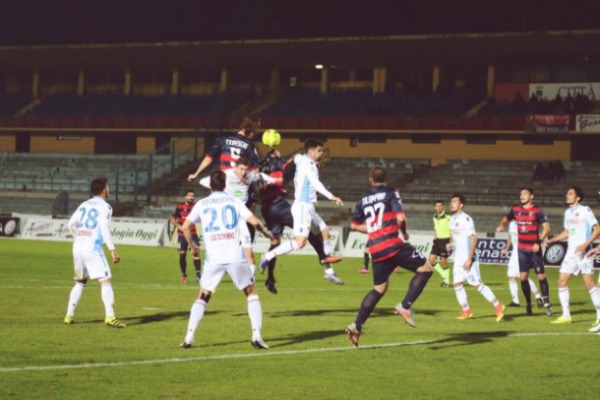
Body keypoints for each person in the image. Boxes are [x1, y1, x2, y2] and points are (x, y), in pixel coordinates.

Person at [179, 170, 276, 349]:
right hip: (234, 255)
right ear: (225, 185)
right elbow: (254, 221)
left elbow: (185, 227)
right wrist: (267, 233)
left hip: (213, 258)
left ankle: (188, 338)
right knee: (251, 292)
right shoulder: (234, 201)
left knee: (203, 295)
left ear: (210, 185)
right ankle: (256, 336)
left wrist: (193, 246)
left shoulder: (201, 203)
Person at [345, 166, 433, 347]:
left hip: (376, 250)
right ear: (386, 179)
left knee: (379, 289)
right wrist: (404, 233)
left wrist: (373, 229)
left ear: (370, 180)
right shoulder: (391, 192)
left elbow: (353, 226)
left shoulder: (363, 199)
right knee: (426, 269)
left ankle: (357, 325)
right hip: (393, 245)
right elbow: (400, 218)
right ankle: (405, 305)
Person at [259, 138, 344, 284]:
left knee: (324, 232)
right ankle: (268, 256)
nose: (322, 153)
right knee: (300, 242)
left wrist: (298, 158)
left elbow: (296, 157)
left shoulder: (302, 160)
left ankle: (329, 271)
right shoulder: (308, 164)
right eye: (319, 150)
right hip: (303, 207)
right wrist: (331, 196)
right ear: (311, 152)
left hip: (308, 207)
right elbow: (315, 183)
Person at [200, 156, 280, 275]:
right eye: (241, 169)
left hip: (241, 213)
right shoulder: (226, 175)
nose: (243, 172)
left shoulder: (250, 176)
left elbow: (260, 176)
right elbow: (203, 181)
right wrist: (217, 190)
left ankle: (250, 277)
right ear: (235, 167)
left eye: (246, 169)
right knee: (225, 247)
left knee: (248, 248)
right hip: (227, 216)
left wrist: (274, 180)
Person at [63, 177, 125, 328]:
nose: (109, 190)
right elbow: (104, 227)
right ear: (103, 190)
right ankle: (110, 316)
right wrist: (112, 249)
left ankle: (69, 315)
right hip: (92, 247)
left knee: (80, 281)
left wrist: (80, 237)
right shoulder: (106, 207)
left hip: (78, 246)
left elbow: (70, 224)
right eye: (107, 187)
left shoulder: (84, 204)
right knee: (105, 279)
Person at [546, 187, 600, 326]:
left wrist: (585, 244)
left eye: (570, 194)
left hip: (584, 252)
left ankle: (599, 316)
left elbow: (597, 229)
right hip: (571, 252)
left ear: (578, 197)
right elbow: (568, 231)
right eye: (567, 193)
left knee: (589, 283)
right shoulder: (568, 212)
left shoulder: (585, 210)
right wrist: (554, 239)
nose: (567, 195)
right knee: (561, 281)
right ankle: (566, 315)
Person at [496, 187, 553, 316]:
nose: (522, 196)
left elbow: (547, 228)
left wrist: (539, 241)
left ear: (531, 196)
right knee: (523, 277)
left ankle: (547, 304)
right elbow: (506, 218)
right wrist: (501, 225)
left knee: (540, 276)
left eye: (525, 194)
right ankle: (529, 304)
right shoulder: (516, 210)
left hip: (534, 249)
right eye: (521, 194)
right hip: (521, 249)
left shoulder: (538, 211)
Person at [448, 194, 505, 322]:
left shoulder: (466, 219)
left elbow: (474, 238)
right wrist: (450, 244)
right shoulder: (452, 219)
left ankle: (498, 305)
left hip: (468, 258)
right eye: (451, 201)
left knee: (476, 284)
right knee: (457, 284)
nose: (452, 203)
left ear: (461, 205)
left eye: (455, 201)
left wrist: (469, 259)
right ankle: (466, 310)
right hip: (458, 259)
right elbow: (453, 234)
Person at [187, 116, 261, 180]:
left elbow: (208, 158)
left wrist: (196, 174)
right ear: (250, 132)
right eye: (253, 134)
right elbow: (255, 169)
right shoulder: (249, 145)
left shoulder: (223, 140)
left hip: (224, 181)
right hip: (239, 182)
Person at [501, 220, 544, 308]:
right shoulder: (512, 224)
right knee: (511, 276)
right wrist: (506, 248)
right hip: (514, 254)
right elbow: (511, 236)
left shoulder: (526, 223)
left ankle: (538, 296)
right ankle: (516, 301)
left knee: (523, 277)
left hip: (523, 252)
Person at [170, 190, 201, 284]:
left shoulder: (196, 207)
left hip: (193, 234)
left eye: (193, 196)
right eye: (190, 195)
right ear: (185, 197)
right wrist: (178, 226)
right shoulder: (179, 206)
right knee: (182, 254)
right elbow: (172, 218)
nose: (191, 197)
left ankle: (198, 275)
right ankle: (184, 275)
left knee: (195, 253)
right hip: (181, 234)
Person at [429, 200, 451, 287]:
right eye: (437, 206)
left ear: (443, 207)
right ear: (435, 207)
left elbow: (452, 230)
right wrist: (434, 240)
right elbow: (435, 229)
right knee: (431, 261)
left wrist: (450, 243)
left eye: (440, 206)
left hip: (445, 240)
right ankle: (444, 275)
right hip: (437, 241)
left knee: (444, 262)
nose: (438, 207)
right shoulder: (434, 216)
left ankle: (447, 282)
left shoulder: (448, 217)